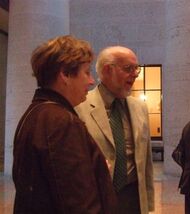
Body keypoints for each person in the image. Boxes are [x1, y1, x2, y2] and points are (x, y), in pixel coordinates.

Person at [12, 35, 117, 213]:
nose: (91, 81)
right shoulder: (62, 122)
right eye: (86, 72)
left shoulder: (35, 113)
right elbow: (78, 202)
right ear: (65, 74)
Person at [75, 46, 154, 214]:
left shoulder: (139, 107)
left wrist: (148, 203)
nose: (135, 74)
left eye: (136, 69)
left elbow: (146, 161)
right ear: (107, 70)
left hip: (133, 197)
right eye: (128, 69)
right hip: (98, 198)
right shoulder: (79, 106)